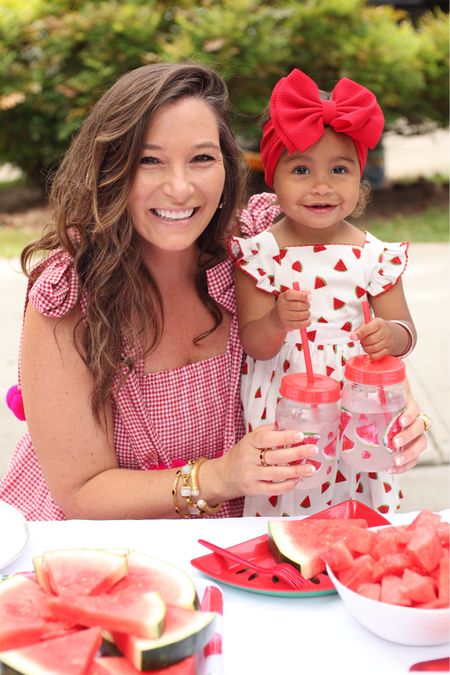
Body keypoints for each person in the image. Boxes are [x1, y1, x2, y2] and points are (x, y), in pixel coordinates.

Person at [1, 62, 428, 521]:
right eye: (150, 160)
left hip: (253, 533)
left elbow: (350, 321)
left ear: (227, 167)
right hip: (108, 543)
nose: (180, 188)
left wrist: (395, 411)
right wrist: (221, 477)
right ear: (110, 170)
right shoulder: (69, 295)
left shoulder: (257, 248)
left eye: (202, 159)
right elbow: (80, 493)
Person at [229, 68, 421, 517]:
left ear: (360, 178)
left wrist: (389, 336)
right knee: (291, 490)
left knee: (359, 495)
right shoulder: (261, 255)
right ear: (273, 179)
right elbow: (254, 346)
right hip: (288, 401)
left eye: (340, 169)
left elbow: (406, 331)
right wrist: (277, 320)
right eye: (301, 169)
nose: (321, 185)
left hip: (360, 403)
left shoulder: (375, 256)